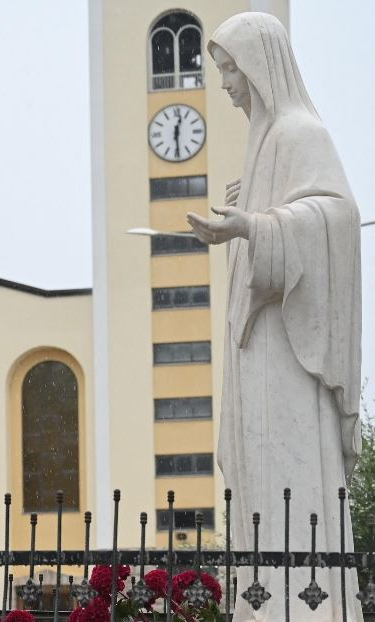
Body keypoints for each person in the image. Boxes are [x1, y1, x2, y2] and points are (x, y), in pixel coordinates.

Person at [187, 12, 363, 621]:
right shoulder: (264, 140)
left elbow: (335, 216)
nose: (227, 85)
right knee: (264, 492)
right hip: (261, 351)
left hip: (290, 351)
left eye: (231, 70)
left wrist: (254, 226)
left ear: (260, 68)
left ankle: (307, 606)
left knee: (296, 490)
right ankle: (266, 601)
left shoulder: (297, 131)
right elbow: (289, 214)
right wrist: (250, 216)